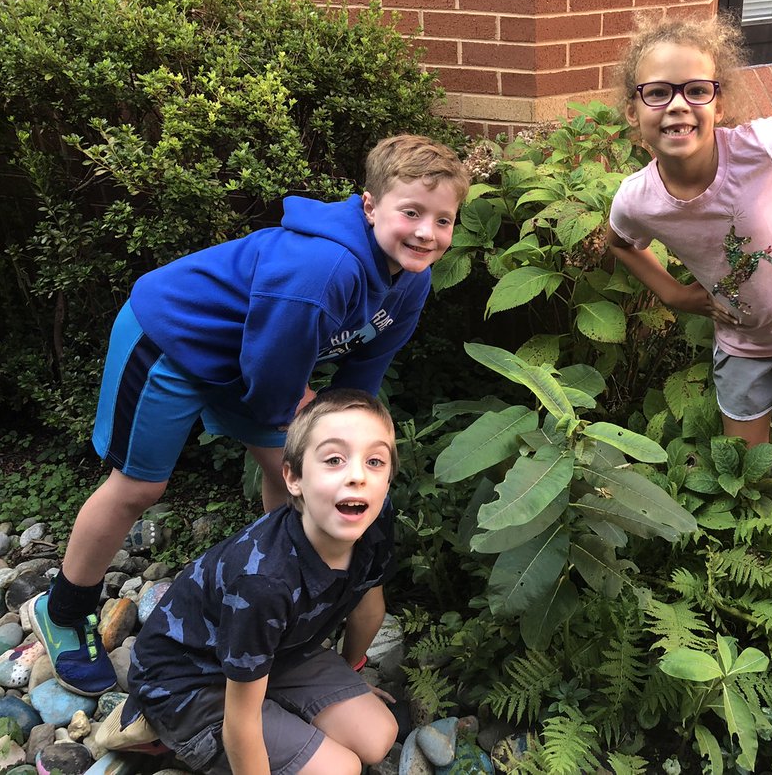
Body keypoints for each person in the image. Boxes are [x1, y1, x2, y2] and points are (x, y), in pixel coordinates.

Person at [29, 134, 468, 697]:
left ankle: (287, 600)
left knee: (299, 477)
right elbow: (272, 380)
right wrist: (306, 430)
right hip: (174, 340)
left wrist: (347, 440)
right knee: (139, 488)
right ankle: (64, 609)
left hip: (259, 357)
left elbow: (362, 379)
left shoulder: (412, 280)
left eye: (444, 219)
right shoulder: (325, 268)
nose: (428, 233)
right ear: (369, 205)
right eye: (412, 213)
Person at [605, 16, 772, 445]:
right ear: (632, 113)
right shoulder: (637, 200)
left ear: (718, 105)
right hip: (743, 340)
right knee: (744, 461)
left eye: (696, 90)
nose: (677, 104)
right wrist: (675, 294)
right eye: (657, 92)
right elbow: (619, 243)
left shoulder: (758, 148)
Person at [122, 389, 400, 774]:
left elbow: (369, 608)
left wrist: (348, 674)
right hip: (192, 679)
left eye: (375, 461)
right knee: (341, 769)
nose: (357, 476)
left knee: (377, 736)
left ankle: (276, 709)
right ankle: (161, 727)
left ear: (388, 478)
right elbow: (242, 725)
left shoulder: (375, 518)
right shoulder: (264, 581)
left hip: (278, 651)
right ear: (294, 477)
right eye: (334, 459)